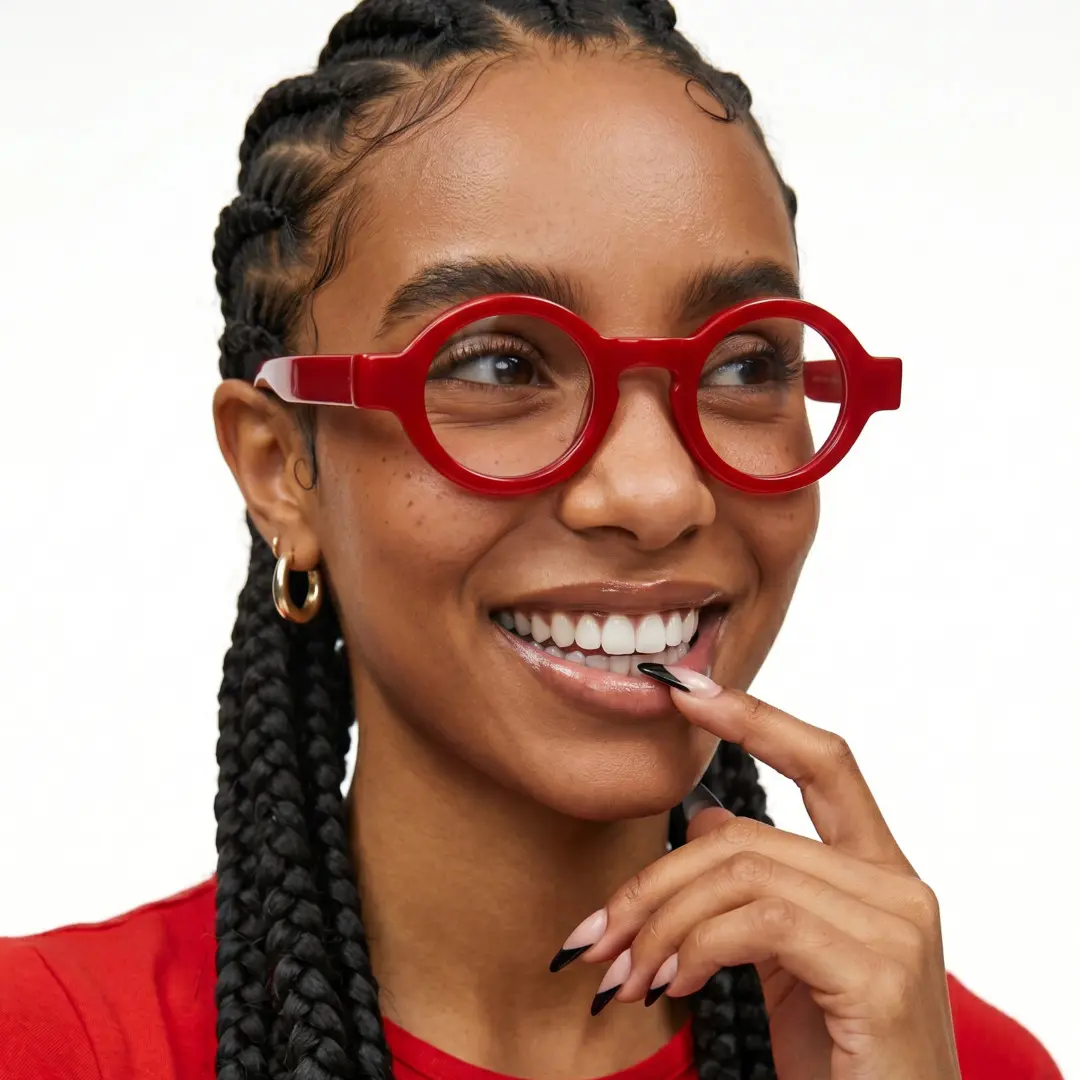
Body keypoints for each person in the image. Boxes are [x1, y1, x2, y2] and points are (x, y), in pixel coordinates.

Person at [0, 2, 1065, 1078]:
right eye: (500, 365)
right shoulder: (46, 1045)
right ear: (283, 469)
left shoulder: (935, 1058)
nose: (656, 493)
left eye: (744, 364)